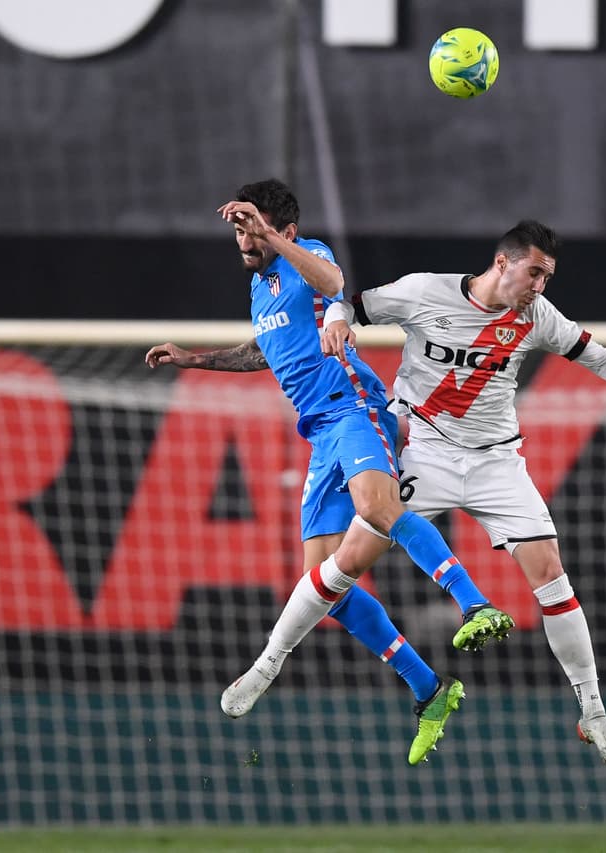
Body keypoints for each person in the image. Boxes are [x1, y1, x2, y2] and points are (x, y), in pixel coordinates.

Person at [145, 179, 514, 765]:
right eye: (239, 230)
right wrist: (195, 359)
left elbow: (334, 284)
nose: (244, 240)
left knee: (378, 508)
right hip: (320, 432)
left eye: (254, 229)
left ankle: (474, 604)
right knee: (323, 587)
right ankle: (429, 688)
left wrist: (273, 238)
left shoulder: (307, 254)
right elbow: (266, 351)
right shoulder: (261, 286)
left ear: (285, 230)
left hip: (353, 408)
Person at [320, 220, 606, 766]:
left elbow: (597, 356)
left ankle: (593, 711)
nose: (540, 286)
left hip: (497, 464)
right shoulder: (424, 292)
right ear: (503, 262)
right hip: (425, 452)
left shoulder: (536, 315)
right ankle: (270, 663)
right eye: (535, 273)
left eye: (547, 277)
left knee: (551, 573)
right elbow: (346, 303)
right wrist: (336, 320)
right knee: (345, 562)